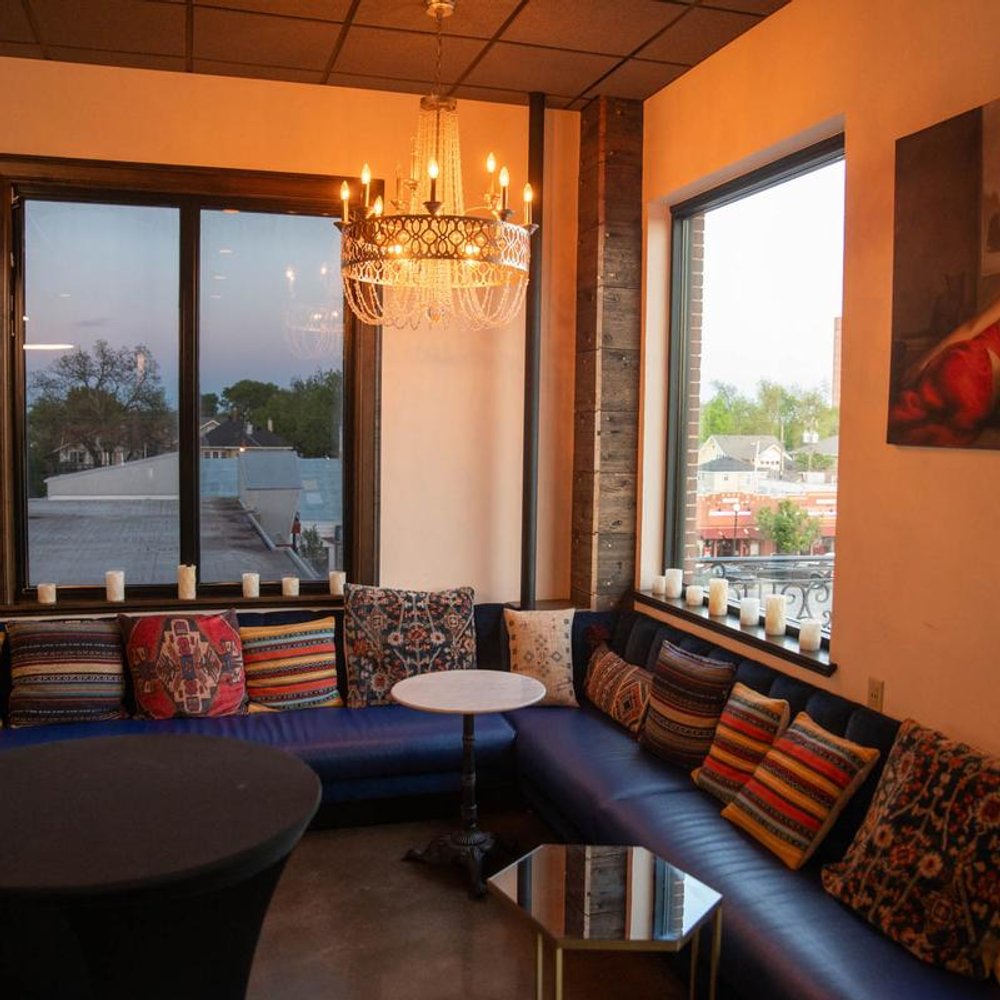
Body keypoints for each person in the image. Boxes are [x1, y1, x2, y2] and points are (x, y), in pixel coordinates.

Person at [889, 293, 1000, 446]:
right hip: (977, 377)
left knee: (911, 419)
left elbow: (971, 327)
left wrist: (923, 363)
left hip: (964, 364)